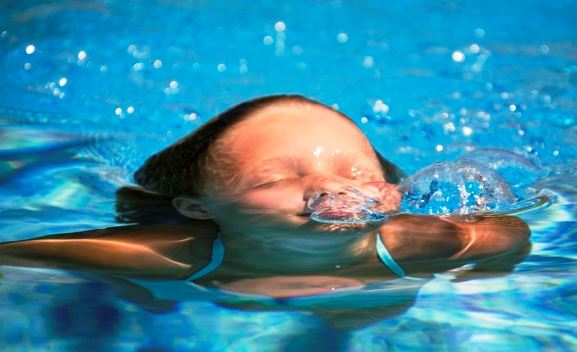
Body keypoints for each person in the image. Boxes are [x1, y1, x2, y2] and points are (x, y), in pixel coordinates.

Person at [0, 94, 531, 305]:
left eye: (357, 173)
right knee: (140, 297)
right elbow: (36, 252)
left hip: (376, 290)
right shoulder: (178, 250)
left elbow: (508, 235)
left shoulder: (409, 242)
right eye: (274, 179)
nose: (332, 188)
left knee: (369, 313)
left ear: (392, 190)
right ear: (198, 206)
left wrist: (477, 285)